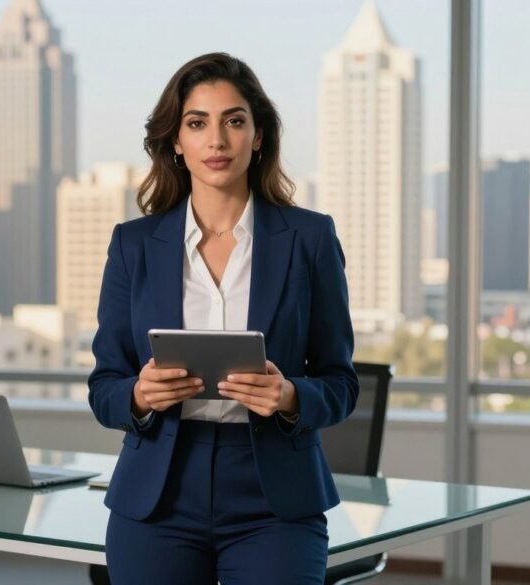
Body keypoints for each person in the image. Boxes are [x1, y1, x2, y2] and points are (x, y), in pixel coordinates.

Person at [88, 52, 359, 585]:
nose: (216, 140)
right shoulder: (134, 245)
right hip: (159, 493)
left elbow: (341, 382)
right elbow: (104, 387)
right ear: (175, 141)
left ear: (258, 137)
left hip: (274, 496)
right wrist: (140, 395)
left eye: (234, 121)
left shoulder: (309, 238)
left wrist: (290, 396)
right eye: (197, 123)